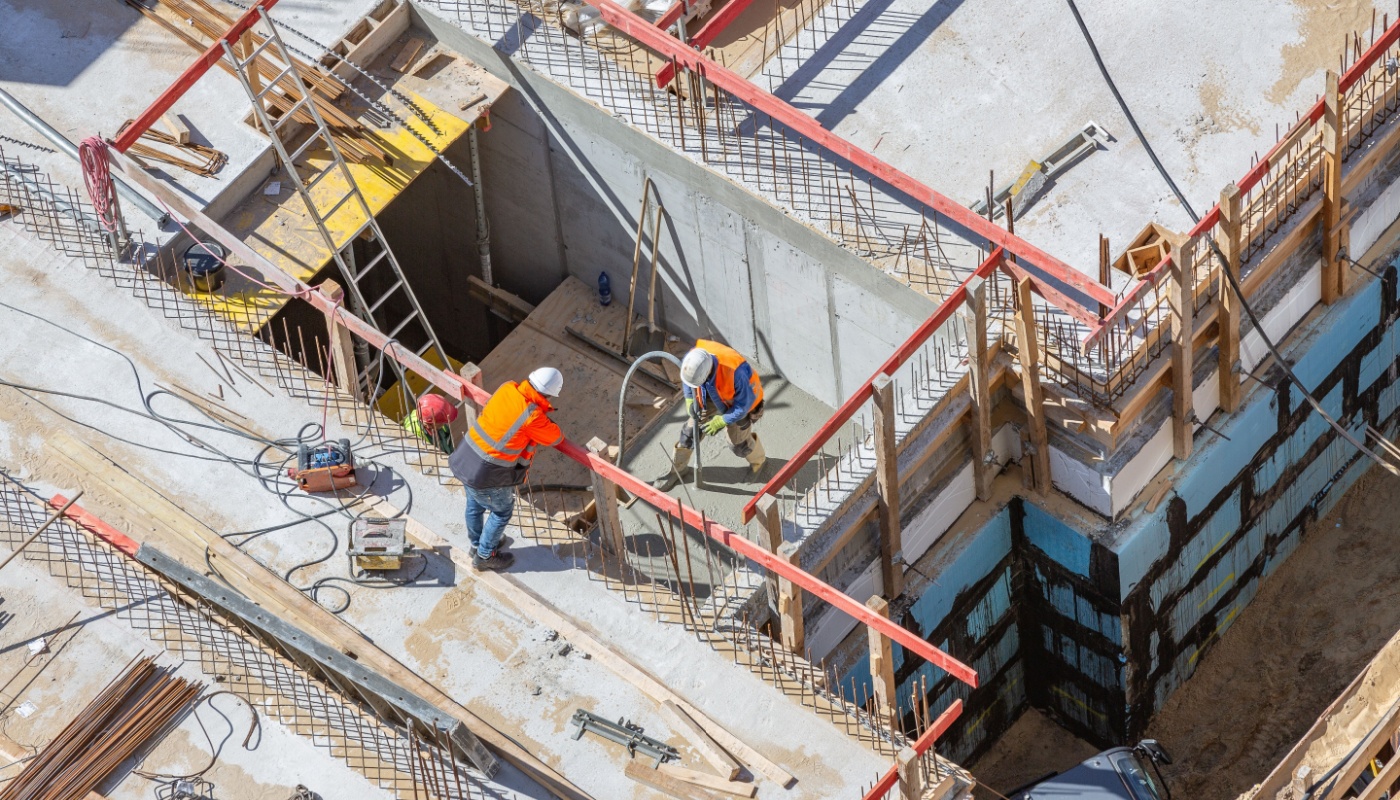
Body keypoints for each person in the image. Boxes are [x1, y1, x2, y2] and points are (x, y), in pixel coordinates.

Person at [448, 367, 565, 571]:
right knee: (502, 511)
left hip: (465, 457)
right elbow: (555, 437)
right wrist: (544, 415)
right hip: (485, 472)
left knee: (474, 505)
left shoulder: (508, 388)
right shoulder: (533, 416)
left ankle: (476, 545)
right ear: (549, 394)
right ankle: (484, 556)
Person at [652, 340, 766, 490]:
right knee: (689, 434)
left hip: (738, 402)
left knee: (739, 445)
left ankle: (759, 462)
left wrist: (722, 420)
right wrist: (690, 400)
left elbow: (743, 406)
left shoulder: (735, 372)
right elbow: (688, 382)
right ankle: (678, 470)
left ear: (707, 374)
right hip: (710, 393)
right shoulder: (694, 359)